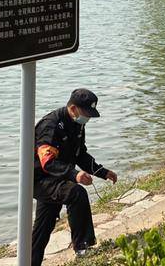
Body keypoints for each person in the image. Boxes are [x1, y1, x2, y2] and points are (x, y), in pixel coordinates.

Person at [32, 88, 118, 265]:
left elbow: (80, 155)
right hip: (41, 180)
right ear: (73, 109)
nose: (87, 118)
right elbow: (47, 162)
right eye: (86, 113)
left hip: (59, 178)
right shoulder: (50, 125)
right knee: (76, 193)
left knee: (43, 228)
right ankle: (82, 246)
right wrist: (75, 174)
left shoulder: (78, 124)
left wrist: (103, 172)